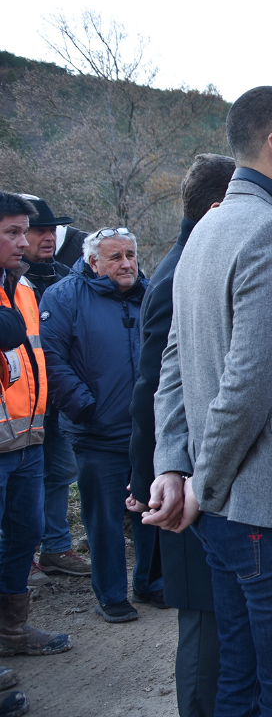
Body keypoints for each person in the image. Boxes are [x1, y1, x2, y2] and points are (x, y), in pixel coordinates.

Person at [147, 85, 272, 717]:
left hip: (224, 514)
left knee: (241, 684)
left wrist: (173, 468)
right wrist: (197, 480)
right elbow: (246, 387)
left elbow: (172, 365)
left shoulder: (204, 232)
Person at [127, 154, 235, 717]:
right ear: (220, 206)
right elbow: (154, 384)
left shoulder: (193, 260)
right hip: (184, 474)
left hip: (191, 472)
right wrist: (150, 475)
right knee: (204, 627)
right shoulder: (181, 272)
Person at [40, 226, 158, 623]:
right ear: (93, 262)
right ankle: (110, 595)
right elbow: (52, 362)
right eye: (115, 257)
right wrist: (86, 409)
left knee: (150, 510)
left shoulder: (151, 293)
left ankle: (150, 581)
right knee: (104, 519)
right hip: (96, 432)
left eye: (131, 255)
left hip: (146, 431)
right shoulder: (63, 297)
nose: (126, 264)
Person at [0, 192, 72, 717]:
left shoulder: (22, 286)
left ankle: (13, 628)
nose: (24, 242)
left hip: (26, 439)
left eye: (24, 231)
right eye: (11, 232)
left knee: (24, 535)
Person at [16, 196, 89, 587]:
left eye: (50, 229)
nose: (48, 236)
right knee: (18, 478)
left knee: (59, 471)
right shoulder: (10, 281)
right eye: (37, 230)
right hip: (18, 403)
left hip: (56, 398)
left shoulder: (64, 274)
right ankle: (20, 554)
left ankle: (56, 548)